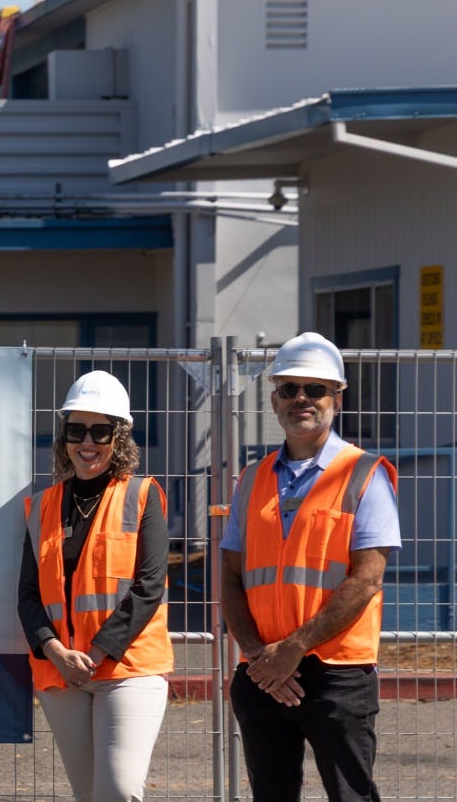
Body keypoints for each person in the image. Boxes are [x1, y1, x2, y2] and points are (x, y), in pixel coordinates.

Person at [220, 331, 401, 802]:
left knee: (350, 796)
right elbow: (231, 575)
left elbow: (366, 580)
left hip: (336, 672)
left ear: (337, 397)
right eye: (288, 389)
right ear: (274, 397)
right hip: (261, 669)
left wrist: (294, 648)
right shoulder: (253, 478)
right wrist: (260, 656)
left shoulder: (365, 473)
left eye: (315, 389)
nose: (301, 399)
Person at [18, 370, 173, 802]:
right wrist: (55, 651)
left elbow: (148, 586)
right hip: (62, 672)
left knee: (118, 791)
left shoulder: (141, 495)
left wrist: (97, 651)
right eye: (77, 430)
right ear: (64, 436)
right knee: (89, 795)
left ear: (118, 437)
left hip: (127, 669)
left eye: (101, 431)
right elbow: (28, 597)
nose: (87, 442)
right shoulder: (42, 506)